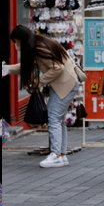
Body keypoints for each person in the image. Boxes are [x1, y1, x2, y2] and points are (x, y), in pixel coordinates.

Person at [9, 26, 82, 168]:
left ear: (21, 40)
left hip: (64, 84)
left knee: (54, 118)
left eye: (16, 42)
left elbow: (57, 68)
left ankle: (55, 155)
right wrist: (7, 69)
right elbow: (26, 65)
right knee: (59, 120)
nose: (16, 46)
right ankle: (61, 155)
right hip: (68, 82)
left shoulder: (38, 48)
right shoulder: (39, 43)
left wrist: (38, 82)